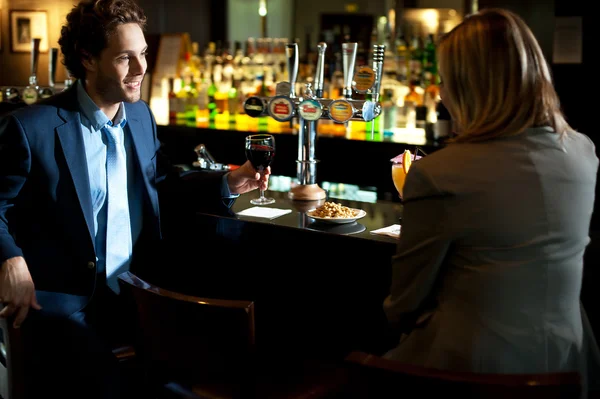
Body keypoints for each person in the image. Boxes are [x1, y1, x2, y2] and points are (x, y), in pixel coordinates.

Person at [0, 0, 270, 397]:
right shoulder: (31, 127)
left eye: (143, 53)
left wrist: (228, 182)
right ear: (88, 59)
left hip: (137, 293)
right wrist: (10, 259)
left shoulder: (140, 115)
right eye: (127, 58)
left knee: (209, 375)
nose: (143, 68)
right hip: (65, 300)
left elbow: (158, 182)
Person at [382, 7, 600, 396]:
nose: (442, 95)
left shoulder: (441, 172)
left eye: (446, 82)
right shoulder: (584, 152)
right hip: (570, 359)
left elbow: (404, 303)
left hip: (470, 372)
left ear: (471, 88)